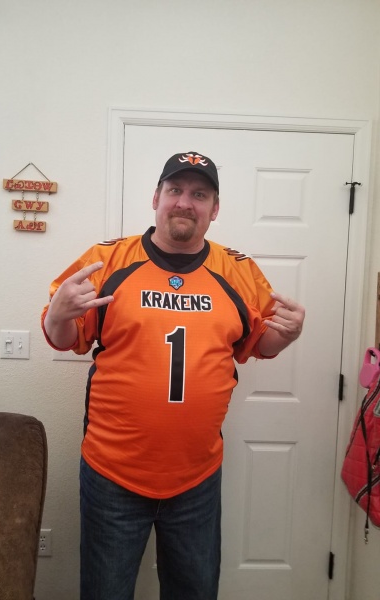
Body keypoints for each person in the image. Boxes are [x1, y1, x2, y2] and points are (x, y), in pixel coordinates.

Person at [41, 151, 305, 600]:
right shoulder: (108, 260)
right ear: (156, 198)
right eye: (175, 190)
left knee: (194, 591)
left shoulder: (238, 271)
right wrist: (57, 316)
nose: (185, 202)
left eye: (199, 194)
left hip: (196, 475)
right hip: (112, 471)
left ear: (214, 209)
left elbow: (259, 344)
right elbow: (65, 337)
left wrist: (288, 335)